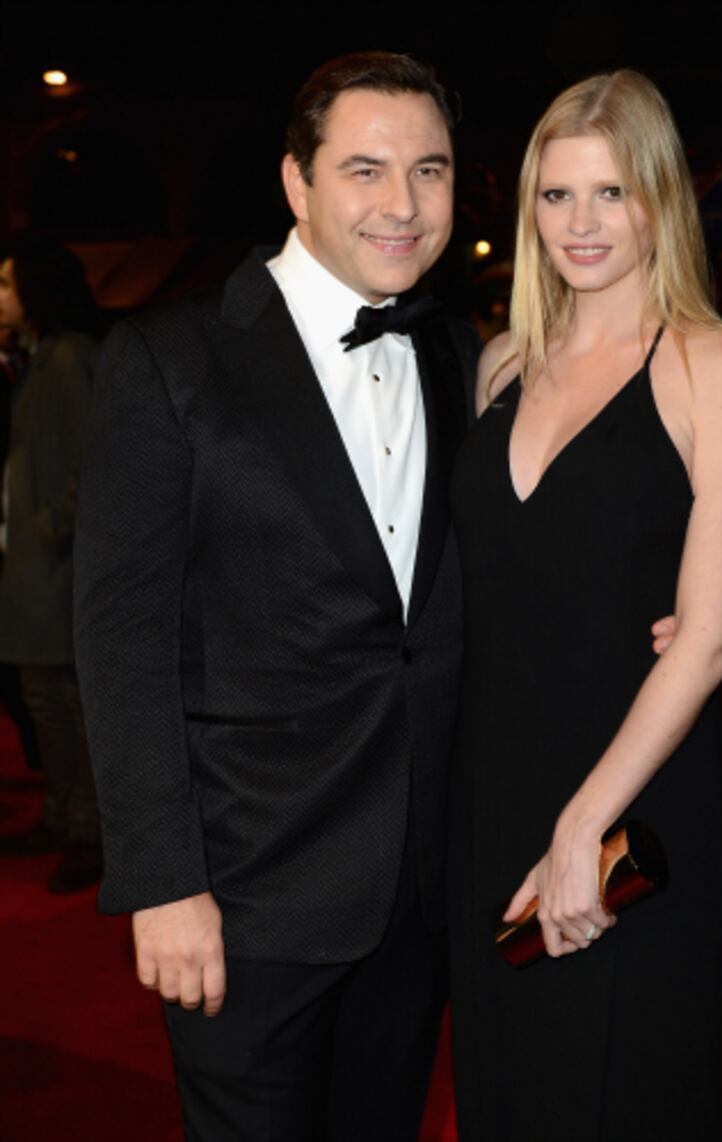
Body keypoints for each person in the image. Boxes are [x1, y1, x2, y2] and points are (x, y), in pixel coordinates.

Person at [74, 52, 480, 1141]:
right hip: (247, 889)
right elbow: (119, 641)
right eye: (365, 169)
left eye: (430, 170)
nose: (403, 204)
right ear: (297, 182)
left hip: (420, 885)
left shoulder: (459, 351)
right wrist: (162, 882)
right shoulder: (169, 355)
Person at [448, 70, 722, 1141]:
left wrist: (581, 824)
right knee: (510, 1084)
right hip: (490, 787)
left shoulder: (714, 367)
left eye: (609, 193)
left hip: (630, 790)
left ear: (657, 200)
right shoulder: (500, 365)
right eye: (556, 195)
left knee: (626, 1086)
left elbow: (706, 637)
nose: (579, 224)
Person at [0, 235, 102, 893]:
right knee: (50, 703)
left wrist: (49, 526)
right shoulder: (46, 357)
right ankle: (66, 820)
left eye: (8, 284)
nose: (1, 296)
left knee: (69, 705)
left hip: (58, 565)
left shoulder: (68, 358)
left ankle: (88, 831)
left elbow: (93, 457)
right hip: (39, 561)